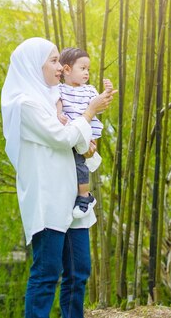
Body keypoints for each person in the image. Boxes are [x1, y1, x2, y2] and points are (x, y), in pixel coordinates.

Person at [1, 37, 116, 318]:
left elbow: (79, 143)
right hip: (48, 200)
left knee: (79, 272)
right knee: (47, 273)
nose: (59, 67)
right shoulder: (25, 104)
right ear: (33, 65)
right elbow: (62, 137)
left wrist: (86, 138)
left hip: (75, 200)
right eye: (53, 61)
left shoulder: (56, 99)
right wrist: (90, 112)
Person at [57, 47, 112, 218]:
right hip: (71, 133)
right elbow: (57, 106)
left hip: (86, 134)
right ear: (67, 69)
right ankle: (81, 196)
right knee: (74, 164)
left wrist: (106, 93)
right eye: (82, 68)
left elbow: (99, 107)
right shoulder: (60, 90)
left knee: (79, 164)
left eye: (88, 69)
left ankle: (84, 196)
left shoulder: (89, 90)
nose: (86, 73)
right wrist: (58, 115)